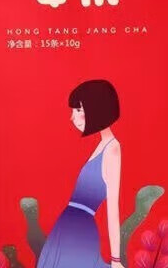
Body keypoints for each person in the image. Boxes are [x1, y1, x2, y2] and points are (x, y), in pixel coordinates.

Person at [37, 79, 122, 268]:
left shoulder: (112, 149)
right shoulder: (102, 145)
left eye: (78, 110)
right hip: (69, 226)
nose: (72, 117)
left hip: (79, 231)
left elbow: (113, 209)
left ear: (96, 108)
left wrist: (116, 260)